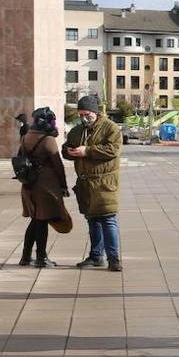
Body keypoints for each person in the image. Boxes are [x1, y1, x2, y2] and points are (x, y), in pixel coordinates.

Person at [62, 95, 124, 271]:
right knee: (92, 220)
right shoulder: (77, 130)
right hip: (85, 184)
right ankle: (96, 256)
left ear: (96, 113)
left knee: (107, 219)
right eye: (80, 115)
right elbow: (65, 149)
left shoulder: (110, 128)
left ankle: (114, 259)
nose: (84, 118)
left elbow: (113, 150)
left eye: (87, 114)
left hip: (105, 183)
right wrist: (69, 151)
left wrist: (87, 151)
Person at [17, 107, 69, 268]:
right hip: (45, 186)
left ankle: (26, 256)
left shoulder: (25, 137)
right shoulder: (47, 140)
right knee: (42, 220)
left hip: (28, 185)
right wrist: (63, 185)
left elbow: (20, 157)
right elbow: (58, 165)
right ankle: (41, 257)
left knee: (35, 220)